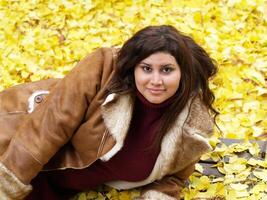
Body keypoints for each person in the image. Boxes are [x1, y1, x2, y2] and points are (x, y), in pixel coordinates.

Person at [0, 25, 217, 200]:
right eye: (146, 68)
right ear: (133, 68)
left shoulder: (190, 127)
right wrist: (8, 185)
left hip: (52, 187)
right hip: (12, 145)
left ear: (183, 74)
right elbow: (51, 125)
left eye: (167, 70)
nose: (156, 81)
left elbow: (175, 177)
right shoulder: (104, 71)